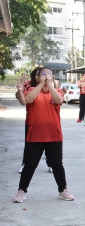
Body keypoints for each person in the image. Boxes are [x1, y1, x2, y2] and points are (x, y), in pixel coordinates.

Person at [13, 68, 74, 203]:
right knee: (30, 165)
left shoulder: (56, 91)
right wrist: (40, 85)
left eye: (48, 74)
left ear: (53, 77)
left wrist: (50, 86)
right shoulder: (32, 91)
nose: (45, 76)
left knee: (57, 164)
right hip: (35, 136)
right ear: (37, 77)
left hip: (54, 136)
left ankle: (63, 190)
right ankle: (22, 191)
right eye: (43, 74)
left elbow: (59, 101)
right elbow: (27, 100)